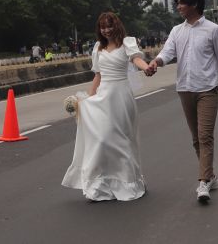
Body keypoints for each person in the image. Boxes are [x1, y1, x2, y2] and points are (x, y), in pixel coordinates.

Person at [148, 0, 218, 202]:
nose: (179, 7)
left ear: (194, 5)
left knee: (205, 136)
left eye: (182, 3)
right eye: (178, 3)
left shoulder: (213, 30)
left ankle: (202, 182)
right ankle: (211, 176)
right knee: (195, 139)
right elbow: (167, 53)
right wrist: (156, 62)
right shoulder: (176, 31)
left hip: (207, 89)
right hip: (185, 89)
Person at [62, 12, 152, 201]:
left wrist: (146, 68)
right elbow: (98, 75)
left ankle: (129, 182)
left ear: (116, 26)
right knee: (102, 140)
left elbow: (136, 60)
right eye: (103, 27)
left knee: (122, 140)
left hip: (121, 96)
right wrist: (88, 99)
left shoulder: (127, 43)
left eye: (109, 26)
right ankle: (102, 185)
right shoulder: (98, 48)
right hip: (103, 96)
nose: (107, 30)